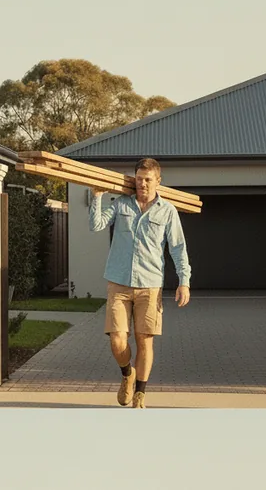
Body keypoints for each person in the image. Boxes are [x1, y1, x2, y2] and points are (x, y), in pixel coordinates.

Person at [89, 158, 191, 409]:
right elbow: (96, 225)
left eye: (148, 179)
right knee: (117, 340)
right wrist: (97, 196)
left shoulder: (167, 211)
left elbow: (178, 248)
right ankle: (127, 373)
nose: (142, 184)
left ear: (158, 181)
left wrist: (184, 281)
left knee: (145, 340)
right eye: (139, 179)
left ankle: (140, 395)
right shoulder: (121, 204)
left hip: (150, 284)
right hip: (119, 282)